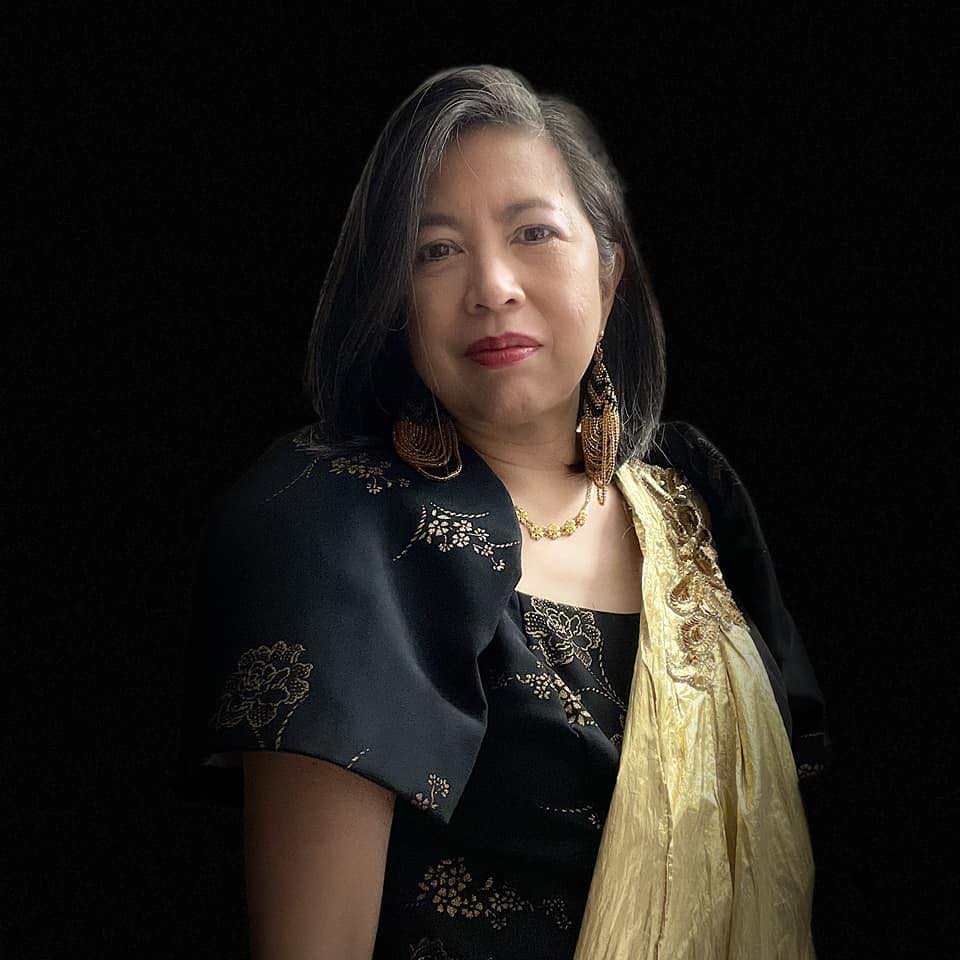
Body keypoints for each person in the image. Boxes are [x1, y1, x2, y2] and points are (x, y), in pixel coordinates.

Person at [179, 64, 831, 960]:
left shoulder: (693, 503)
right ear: (393, 302)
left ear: (609, 278)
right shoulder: (338, 527)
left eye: (532, 232)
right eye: (434, 249)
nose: (491, 285)